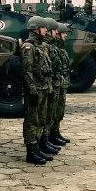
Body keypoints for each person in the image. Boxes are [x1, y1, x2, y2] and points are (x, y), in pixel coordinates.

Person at [21, 16, 52, 165]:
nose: (46, 30)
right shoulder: (29, 47)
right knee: (32, 121)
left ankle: (38, 146)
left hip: (44, 87)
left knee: (41, 118)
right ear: (35, 29)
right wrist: (32, 90)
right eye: (44, 27)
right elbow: (27, 71)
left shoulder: (42, 45)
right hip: (35, 90)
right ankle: (31, 151)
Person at [41, 18, 64, 155]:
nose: (59, 33)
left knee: (52, 113)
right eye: (55, 30)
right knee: (42, 117)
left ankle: (49, 137)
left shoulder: (52, 47)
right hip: (44, 87)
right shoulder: (41, 47)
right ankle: (39, 143)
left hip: (52, 85)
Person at [51, 22, 71, 145]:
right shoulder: (54, 49)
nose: (66, 36)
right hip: (55, 85)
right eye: (64, 33)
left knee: (59, 111)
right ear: (57, 34)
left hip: (61, 84)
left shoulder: (61, 48)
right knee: (53, 112)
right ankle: (50, 136)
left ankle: (56, 132)